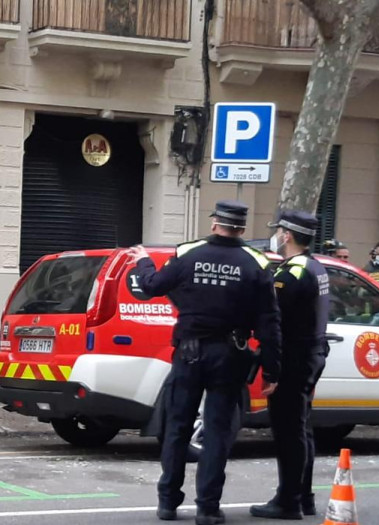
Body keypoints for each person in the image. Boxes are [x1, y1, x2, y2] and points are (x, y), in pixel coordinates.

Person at [127, 200, 282, 525]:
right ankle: (208, 508)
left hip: (188, 353)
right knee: (217, 431)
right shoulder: (256, 262)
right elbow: (269, 322)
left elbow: (152, 286)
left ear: (214, 224)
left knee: (177, 427)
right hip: (229, 355)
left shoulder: (188, 253)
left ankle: (168, 503)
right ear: (242, 228)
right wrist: (271, 369)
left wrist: (143, 262)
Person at [251, 210, 330, 520]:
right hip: (312, 354)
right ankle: (303, 496)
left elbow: (273, 318)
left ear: (287, 235)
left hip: (295, 358)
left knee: (288, 431)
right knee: (301, 427)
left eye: (278, 231)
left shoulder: (291, 274)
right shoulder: (315, 266)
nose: (275, 236)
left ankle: (288, 501)